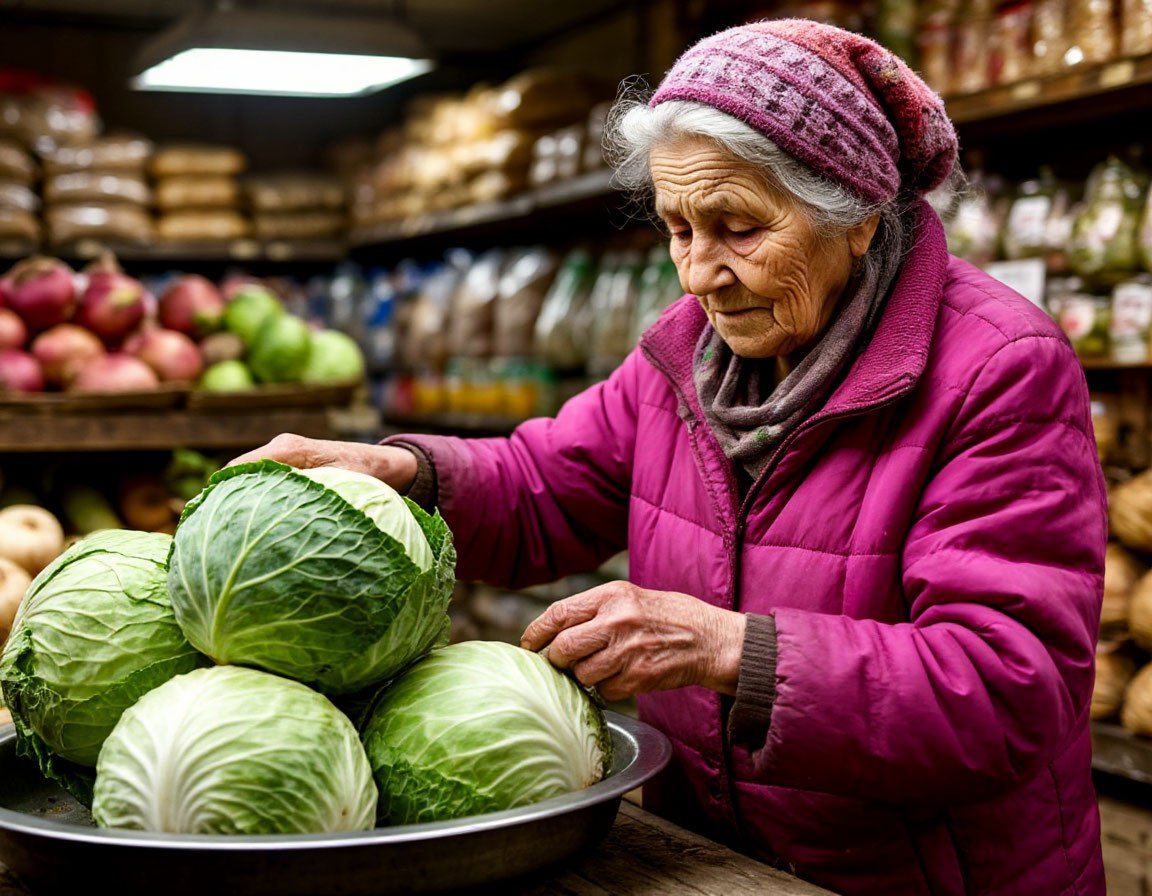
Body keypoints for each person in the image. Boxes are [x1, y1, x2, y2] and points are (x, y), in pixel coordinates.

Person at [231, 18, 1107, 896]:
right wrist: (408, 476)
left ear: (859, 215)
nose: (697, 274)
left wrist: (728, 648)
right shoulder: (690, 351)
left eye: (738, 228)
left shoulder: (999, 368)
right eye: (678, 229)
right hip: (720, 863)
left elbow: (1008, 687)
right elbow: (550, 486)